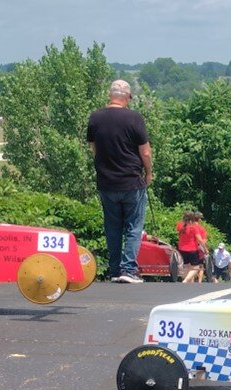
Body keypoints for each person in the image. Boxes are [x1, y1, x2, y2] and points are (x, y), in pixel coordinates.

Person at [87, 80, 153, 283]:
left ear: (111, 95)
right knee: (133, 226)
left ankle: (114, 269)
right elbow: (146, 151)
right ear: (127, 96)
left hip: (106, 182)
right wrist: (148, 173)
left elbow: (93, 147)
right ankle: (128, 270)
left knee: (112, 226)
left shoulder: (95, 117)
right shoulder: (134, 118)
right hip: (131, 180)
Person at [177, 211, 207, 283]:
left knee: (186, 266)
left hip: (181, 248)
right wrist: (205, 249)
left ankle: (186, 280)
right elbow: (199, 239)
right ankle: (186, 280)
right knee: (196, 267)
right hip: (192, 249)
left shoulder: (180, 225)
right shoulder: (194, 227)